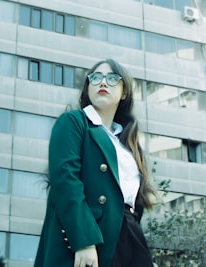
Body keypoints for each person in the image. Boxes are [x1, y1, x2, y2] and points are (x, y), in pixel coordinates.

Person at [33, 58, 158, 267]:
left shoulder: (129, 143)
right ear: (87, 87)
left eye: (112, 78)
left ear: (124, 92)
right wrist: (83, 241)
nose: (102, 83)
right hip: (92, 232)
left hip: (128, 234)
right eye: (96, 78)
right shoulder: (74, 122)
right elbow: (65, 180)